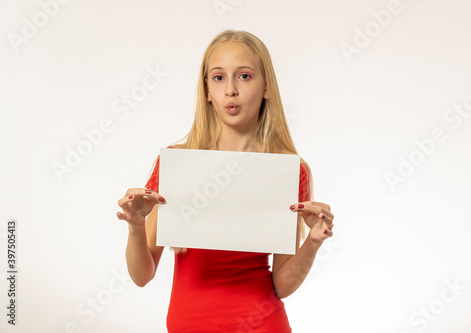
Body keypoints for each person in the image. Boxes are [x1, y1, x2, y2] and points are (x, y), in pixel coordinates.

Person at [116, 29, 334, 332]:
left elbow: (282, 285)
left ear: (266, 86)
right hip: (188, 325)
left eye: (244, 76)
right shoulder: (176, 165)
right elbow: (142, 275)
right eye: (219, 78)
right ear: (206, 89)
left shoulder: (288, 171)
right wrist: (136, 226)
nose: (230, 90)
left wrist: (313, 241)